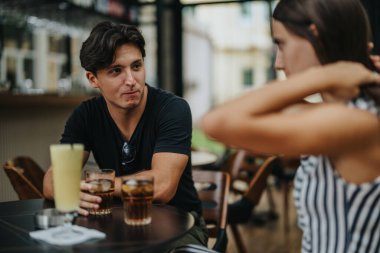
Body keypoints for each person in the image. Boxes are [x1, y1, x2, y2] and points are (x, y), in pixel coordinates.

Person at [201, 0, 380, 252]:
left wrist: (324, 74)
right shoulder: (331, 114)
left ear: (315, 35)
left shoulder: (356, 122)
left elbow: (216, 123)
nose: (278, 63)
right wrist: (333, 72)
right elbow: (242, 113)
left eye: (281, 44)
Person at [43, 21, 208, 251]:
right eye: (116, 71)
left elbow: (162, 186)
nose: (131, 80)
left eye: (136, 66)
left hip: (179, 225)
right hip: (115, 224)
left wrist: (102, 184)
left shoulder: (173, 109)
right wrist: (69, 190)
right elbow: (51, 181)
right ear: (93, 79)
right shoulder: (85, 116)